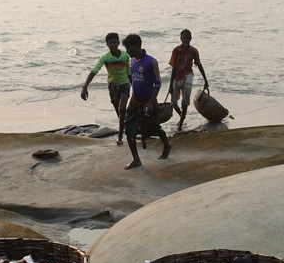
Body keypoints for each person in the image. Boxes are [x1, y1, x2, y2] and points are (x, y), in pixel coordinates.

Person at [122, 33, 171, 170]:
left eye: (129, 48)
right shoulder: (131, 61)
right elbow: (132, 79)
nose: (127, 52)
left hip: (148, 102)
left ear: (137, 46)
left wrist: (150, 102)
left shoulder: (151, 62)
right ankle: (136, 159)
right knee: (129, 129)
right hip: (134, 101)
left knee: (154, 128)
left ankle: (167, 146)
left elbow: (157, 83)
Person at [80, 32, 131, 145]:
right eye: (110, 43)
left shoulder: (125, 56)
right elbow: (94, 71)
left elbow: (128, 73)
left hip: (125, 84)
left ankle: (120, 136)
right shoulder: (105, 57)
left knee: (122, 108)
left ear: (118, 43)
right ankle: (127, 130)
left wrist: (136, 87)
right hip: (113, 86)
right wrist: (85, 86)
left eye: (114, 42)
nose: (113, 45)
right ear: (107, 45)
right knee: (119, 112)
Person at [167, 29, 208, 132]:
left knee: (185, 100)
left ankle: (180, 125)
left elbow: (199, 65)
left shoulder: (194, 51)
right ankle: (182, 115)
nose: (185, 40)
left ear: (190, 39)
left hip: (188, 75)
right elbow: (173, 68)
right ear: (181, 39)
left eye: (187, 38)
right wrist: (170, 85)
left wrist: (205, 80)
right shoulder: (176, 51)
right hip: (177, 77)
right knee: (173, 103)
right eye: (184, 38)